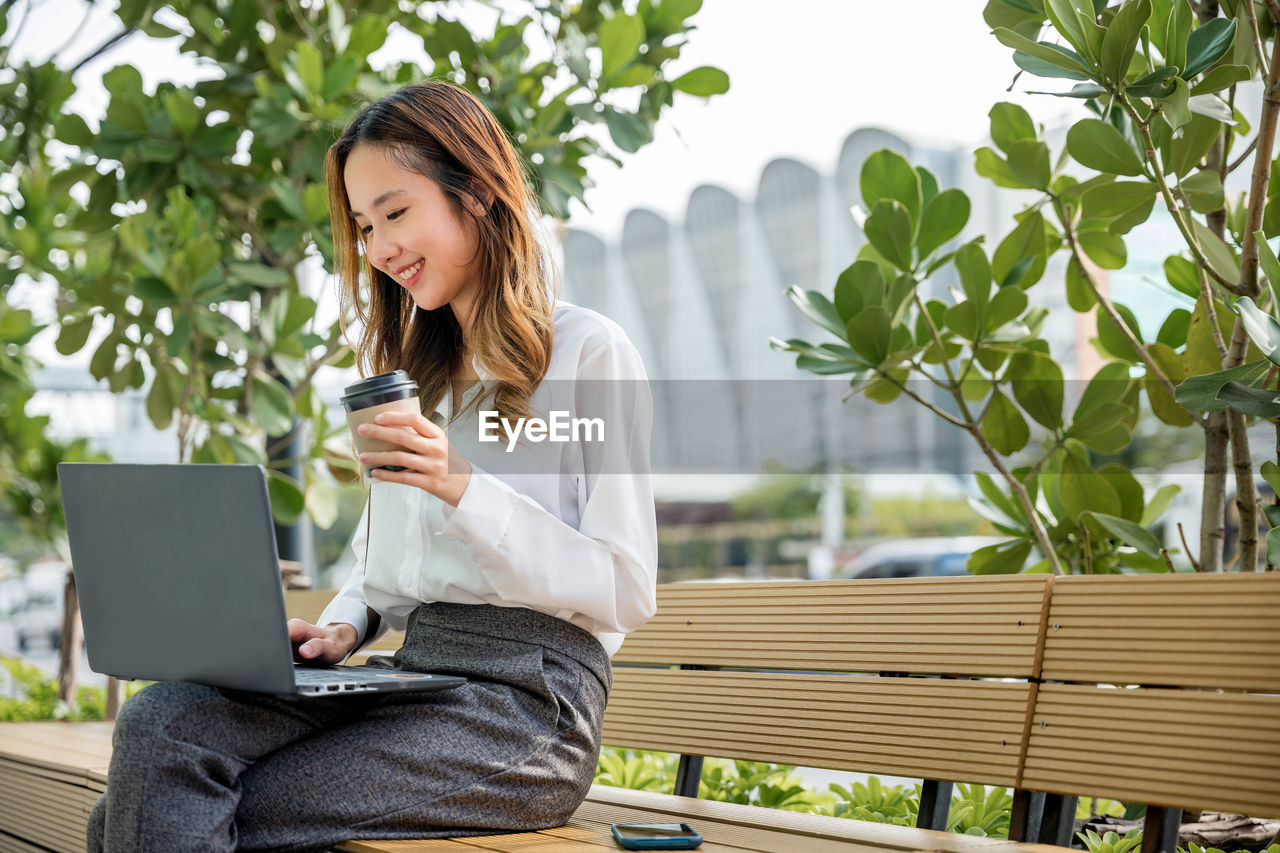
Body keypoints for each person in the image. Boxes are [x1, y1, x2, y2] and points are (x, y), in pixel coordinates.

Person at [87, 80, 658, 852]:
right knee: (161, 724)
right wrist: (343, 626)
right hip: (413, 671)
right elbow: (387, 563)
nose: (378, 248)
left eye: (395, 213)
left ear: (480, 193)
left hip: (530, 704)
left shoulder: (589, 353)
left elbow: (627, 587)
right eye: (364, 225)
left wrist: (461, 484)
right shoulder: (415, 377)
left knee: (149, 809)